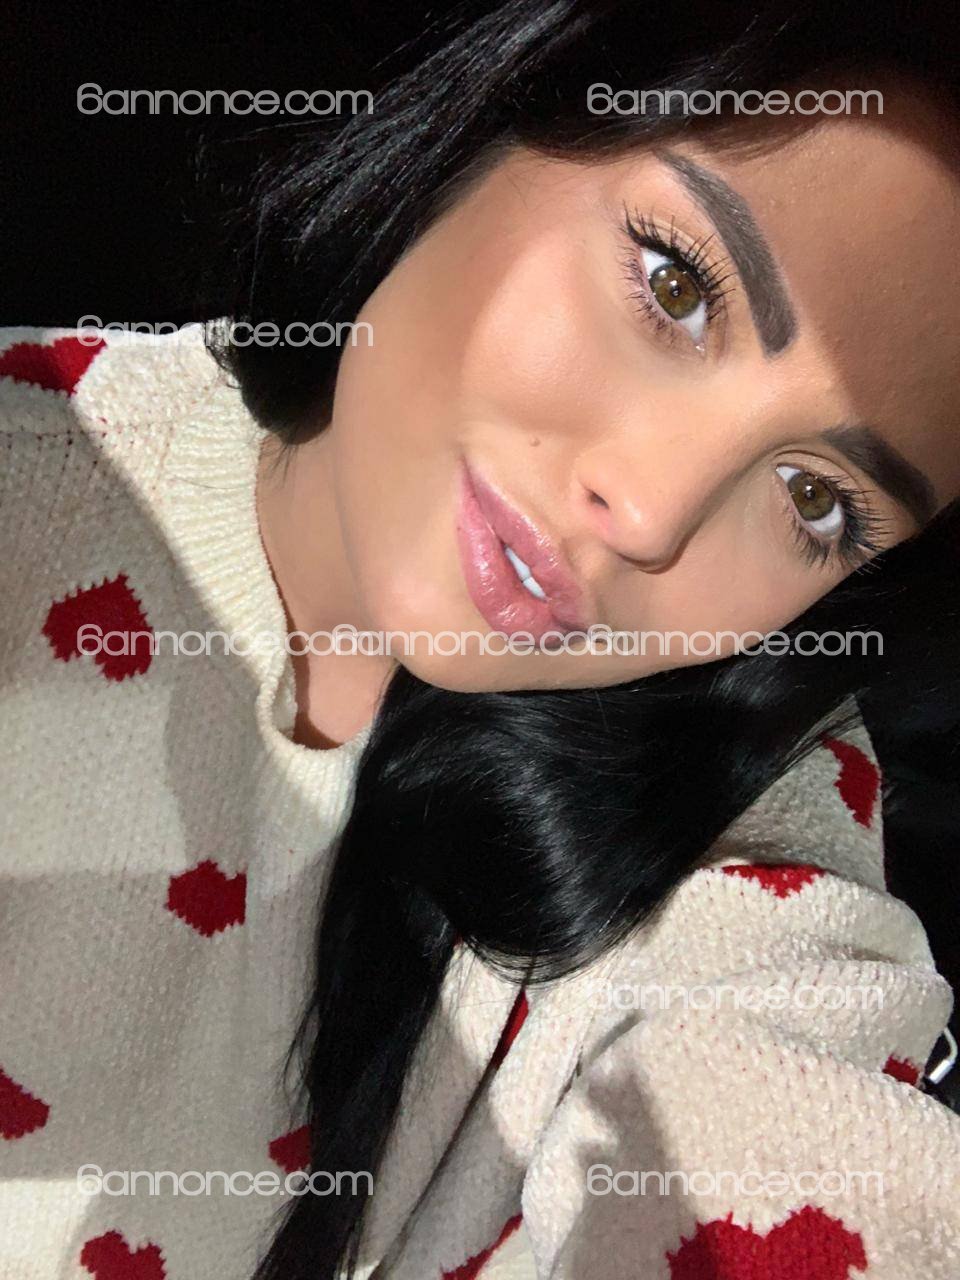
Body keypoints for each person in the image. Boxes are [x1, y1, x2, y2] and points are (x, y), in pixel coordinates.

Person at [1, 1, 958, 1276]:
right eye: (676, 287)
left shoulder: (748, 807)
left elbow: (795, 1128)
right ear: (493, 111)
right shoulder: (32, 493)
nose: (652, 513)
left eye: (816, 498)